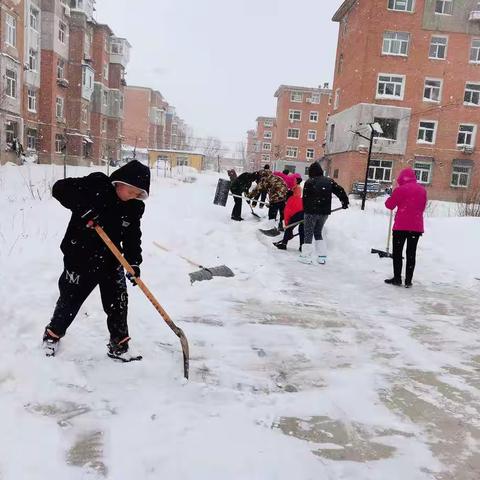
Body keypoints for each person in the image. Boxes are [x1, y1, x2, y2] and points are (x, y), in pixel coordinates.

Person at [42, 160, 151, 360]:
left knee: (118, 302)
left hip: (111, 260)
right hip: (80, 256)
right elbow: (60, 189)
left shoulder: (133, 208)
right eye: (132, 191)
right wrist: (84, 209)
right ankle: (52, 335)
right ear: (120, 181)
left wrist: (134, 262)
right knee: (70, 299)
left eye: (138, 194)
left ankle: (119, 344)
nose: (133, 197)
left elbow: (132, 236)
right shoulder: (97, 185)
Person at [384, 167, 427, 288]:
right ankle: (408, 281)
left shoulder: (400, 190)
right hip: (416, 227)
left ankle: (397, 278)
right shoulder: (422, 191)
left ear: (402, 178)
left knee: (397, 253)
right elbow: (422, 207)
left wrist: (391, 196)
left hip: (400, 227)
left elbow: (389, 205)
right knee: (411, 253)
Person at [300, 161, 349, 265]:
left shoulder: (309, 182)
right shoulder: (329, 181)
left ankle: (306, 256)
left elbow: (304, 199)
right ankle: (322, 256)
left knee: (308, 233)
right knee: (318, 232)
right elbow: (340, 190)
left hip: (311, 212)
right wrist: (344, 201)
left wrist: (305, 211)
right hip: (324, 213)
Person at [273, 185, 304, 251]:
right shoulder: (302, 199)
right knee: (302, 230)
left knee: (288, 229)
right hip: (304, 215)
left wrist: (287, 225)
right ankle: (302, 246)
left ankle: (284, 244)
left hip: (296, 215)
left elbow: (287, 212)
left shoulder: (290, 200)